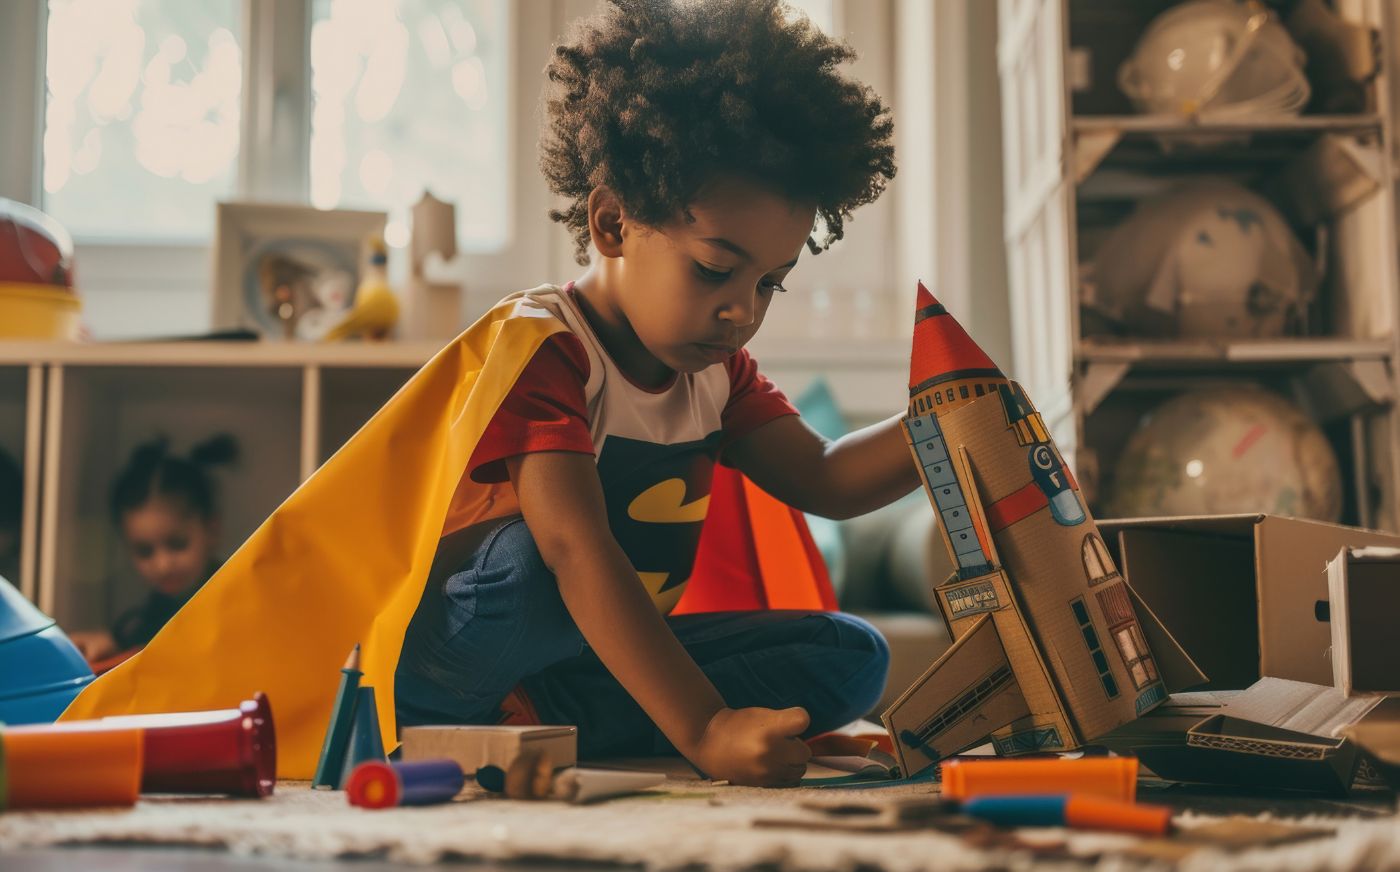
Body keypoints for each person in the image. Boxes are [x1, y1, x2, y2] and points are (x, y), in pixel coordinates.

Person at [394, 0, 912, 788]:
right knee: (540, 566)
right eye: (714, 269)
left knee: (850, 656)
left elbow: (827, 478)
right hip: (463, 650)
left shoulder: (717, 371)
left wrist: (947, 421)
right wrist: (707, 728)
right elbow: (574, 548)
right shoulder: (547, 348)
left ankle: (559, 721)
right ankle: (445, 717)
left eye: (770, 281)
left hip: (578, 664)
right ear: (611, 223)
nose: (743, 309)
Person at [68, 435, 235, 664]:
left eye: (177, 544)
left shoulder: (236, 600)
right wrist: (110, 643)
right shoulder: (144, 620)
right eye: (144, 551)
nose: (163, 565)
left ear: (211, 530)